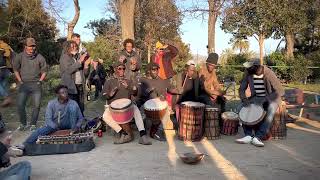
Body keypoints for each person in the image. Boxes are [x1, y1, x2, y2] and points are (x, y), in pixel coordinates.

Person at [236, 59, 284, 147]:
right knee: (241, 108)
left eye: (249, 68)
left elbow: (280, 91)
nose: (247, 70)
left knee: (271, 109)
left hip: (271, 98)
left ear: (256, 67)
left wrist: (265, 99)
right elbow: (241, 89)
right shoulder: (248, 73)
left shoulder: (269, 74)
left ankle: (258, 137)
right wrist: (244, 99)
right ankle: (248, 135)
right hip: (256, 98)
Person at [102, 61, 151, 145]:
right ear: (115, 70)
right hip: (113, 108)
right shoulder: (109, 81)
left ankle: (142, 135)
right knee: (105, 116)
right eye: (119, 69)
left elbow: (135, 93)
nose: (122, 71)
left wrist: (128, 87)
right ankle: (123, 133)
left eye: (123, 69)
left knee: (136, 110)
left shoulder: (128, 81)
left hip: (127, 107)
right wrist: (110, 94)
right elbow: (103, 96)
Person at [140, 62, 181, 141]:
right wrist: (148, 91)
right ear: (149, 71)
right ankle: (143, 133)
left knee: (166, 111)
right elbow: (139, 95)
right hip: (145, 105)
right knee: (141, 115)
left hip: (158, 105)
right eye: (153, 70)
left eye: (157, 69)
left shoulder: (161, 81)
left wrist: (163, 96)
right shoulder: (143, 81)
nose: (156, 71)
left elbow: (167, 91)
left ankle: (158, 132)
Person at [13, 38, 47, 131]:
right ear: (25, 46)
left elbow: (44, 71)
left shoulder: (39, 57)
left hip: (36, 84)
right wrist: (20, 80)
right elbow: (15, 69)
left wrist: (40, 81)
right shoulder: (19, 56)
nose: (32, 48)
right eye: (30, 46)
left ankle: (33, 124)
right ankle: (23, 123)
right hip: (24, 84)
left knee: (36, 105)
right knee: (20, 104)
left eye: (33, 46)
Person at [59, 40, 90, 115]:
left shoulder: (77, 57)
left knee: (81, 105)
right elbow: (68, 70)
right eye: (72, 47)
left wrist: (86, 65)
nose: (75, 48)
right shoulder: (64, 57)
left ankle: (81, 120)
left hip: (80, 85)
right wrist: (79, 62)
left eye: (76, 46)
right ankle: (72, 123)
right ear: (67, 48)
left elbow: (85, 74)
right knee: (72, 107)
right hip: (70, 87)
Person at [0, 40, 14, 107]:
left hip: (1, 69)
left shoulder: (2, 48)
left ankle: (7, 98)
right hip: (7, 69)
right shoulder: (6, 46)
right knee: (4, 85)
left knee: (1, 85)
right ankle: (8, 100)